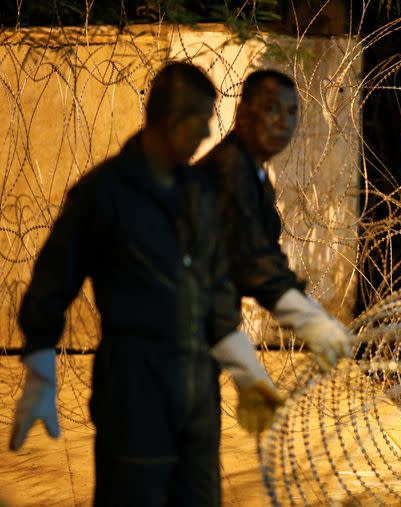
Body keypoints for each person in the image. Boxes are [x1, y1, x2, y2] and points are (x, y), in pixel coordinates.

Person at [10, 62, 281, 507]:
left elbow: (215, 291)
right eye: (203, 121)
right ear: (173, 122)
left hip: (197, 390)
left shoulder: (199, 191)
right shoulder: (104, 193)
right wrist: (41, 369)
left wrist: (247, 372)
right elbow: (52, 281)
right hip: (136, 390)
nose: (210, 134)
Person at [195, 69, 352, 374]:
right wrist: (310, 320)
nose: (284, 122)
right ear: (243, 113)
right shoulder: (230, 171)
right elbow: (254, 261)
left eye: (292, 112)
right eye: (270, 109)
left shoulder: (251, 170)